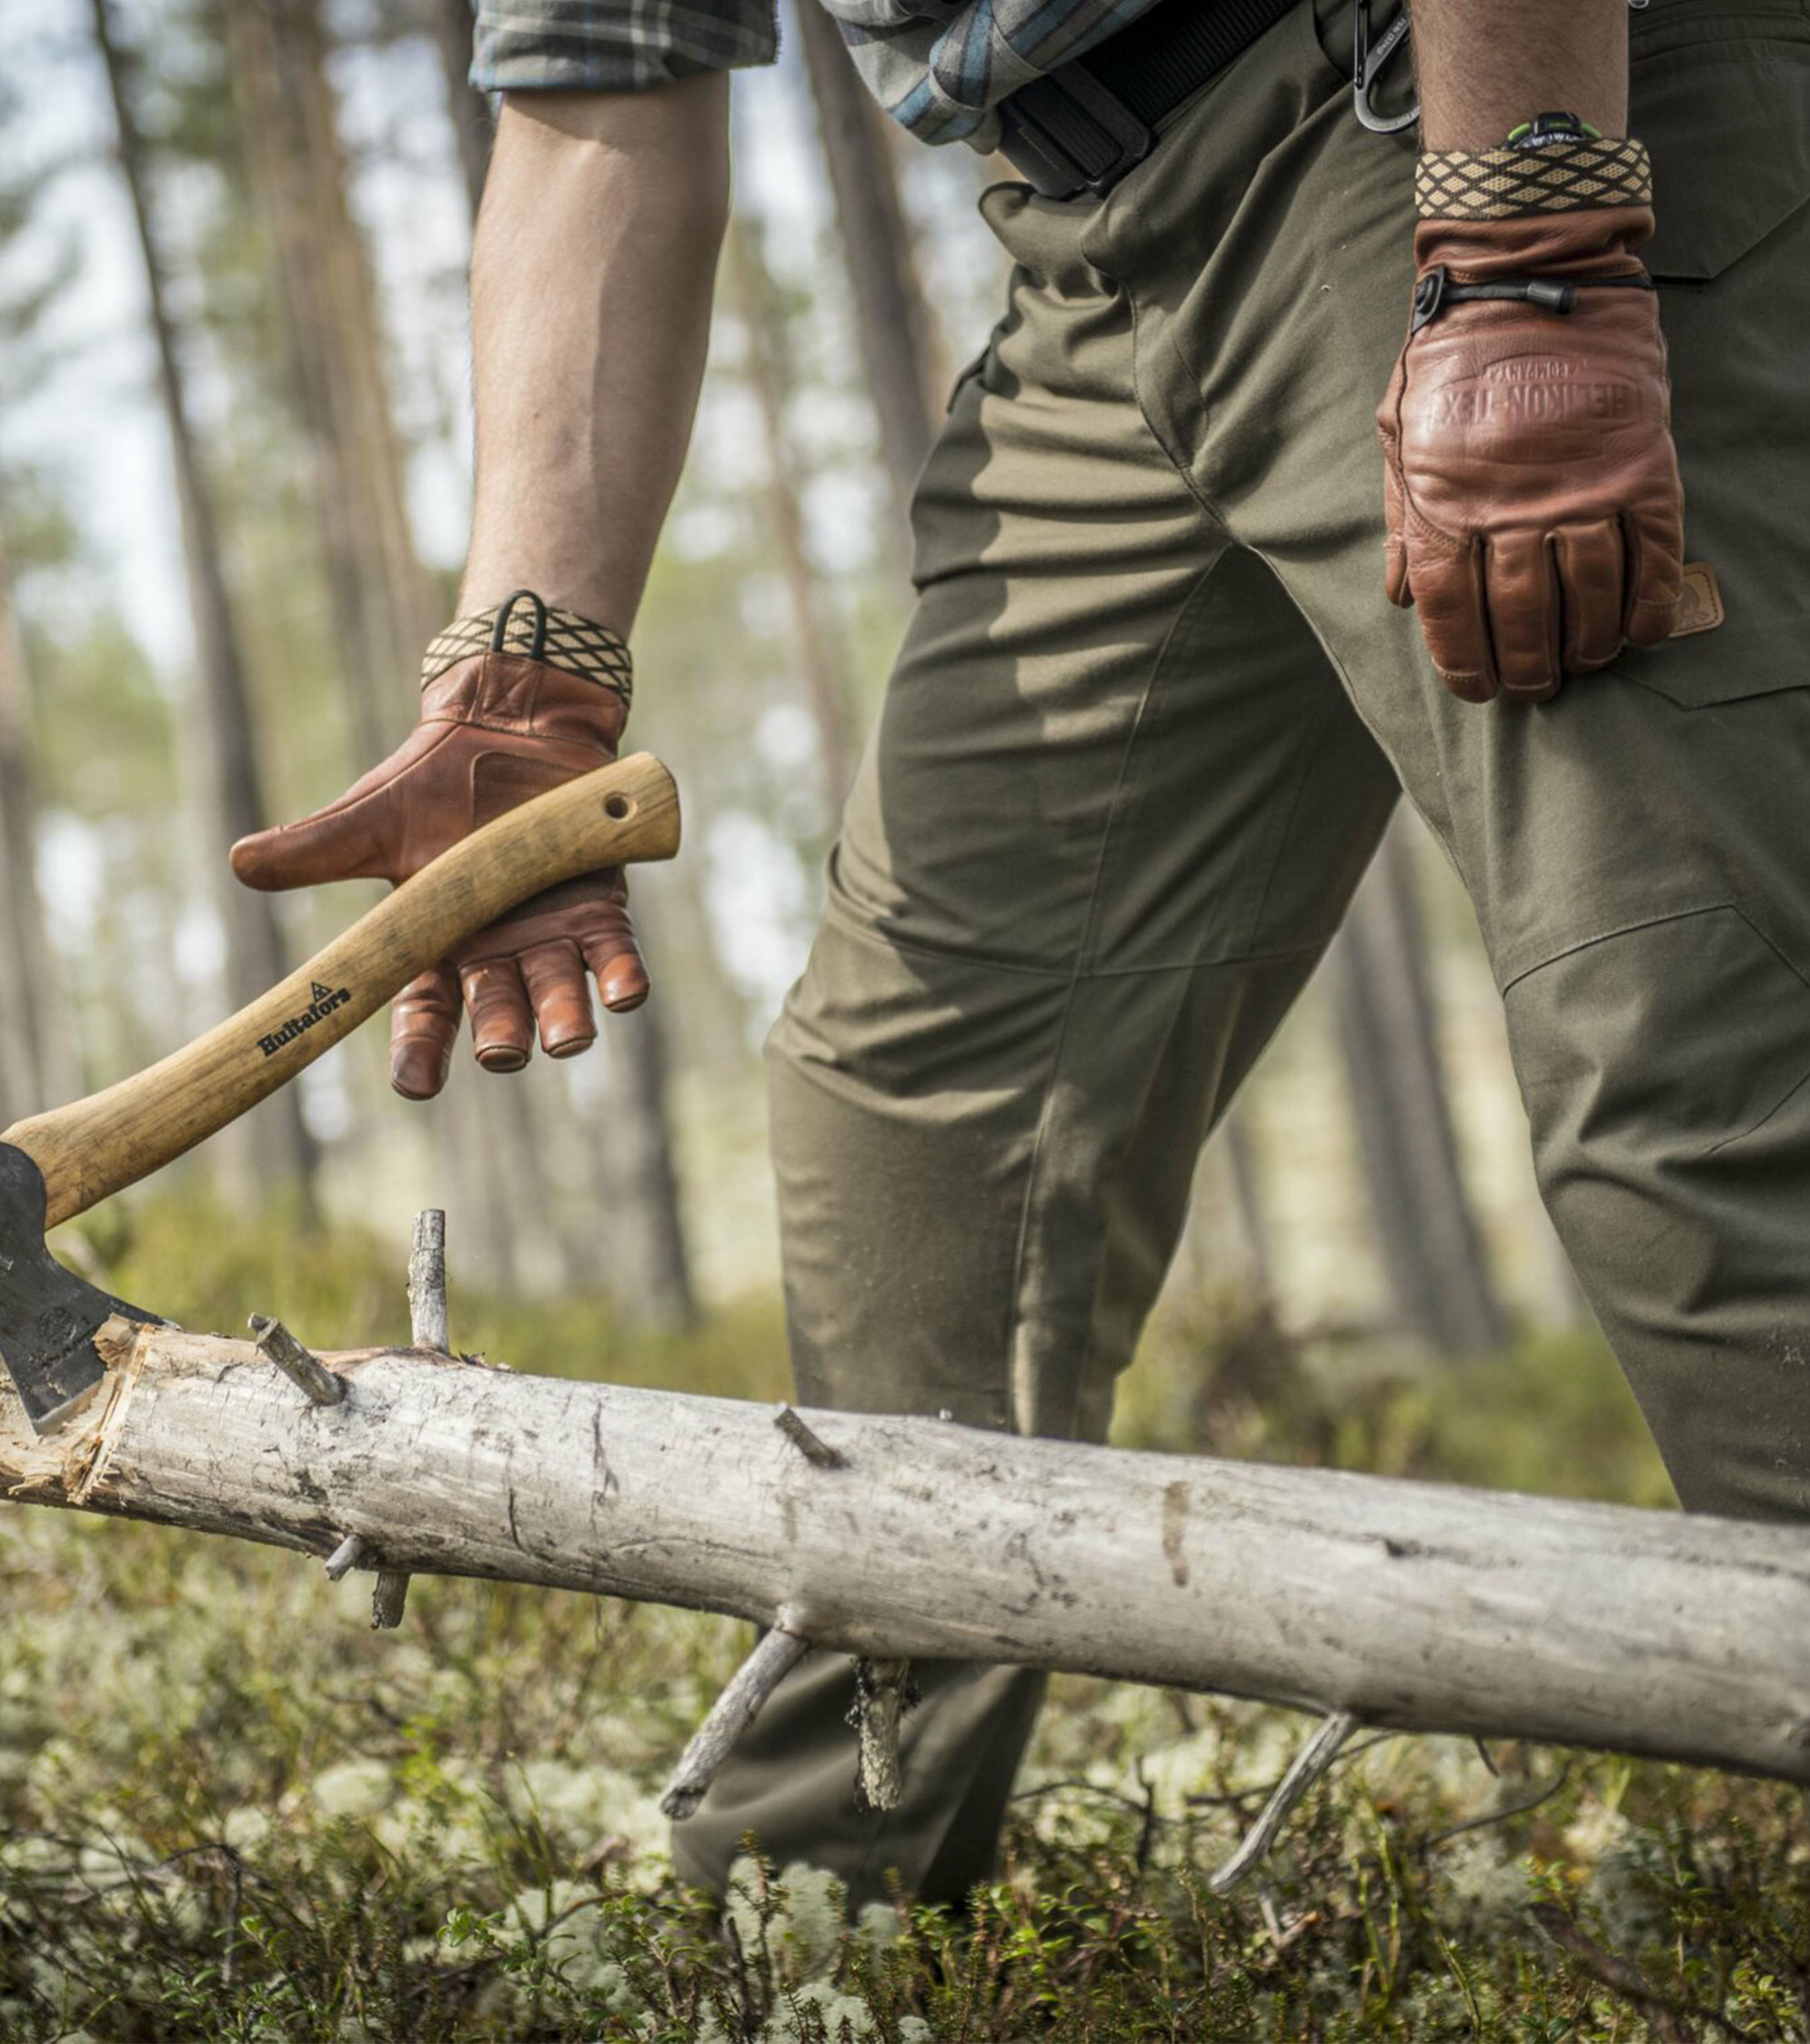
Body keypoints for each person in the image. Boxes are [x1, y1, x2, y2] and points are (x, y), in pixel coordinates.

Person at [227, 0, 1810, 1911]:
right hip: (1089, 248)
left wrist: (1530, 236)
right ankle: (809, 1941)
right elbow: (593, 82)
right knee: (919, 1124)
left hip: (1470, 105)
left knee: (1697, 1072)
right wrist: (527, 675)